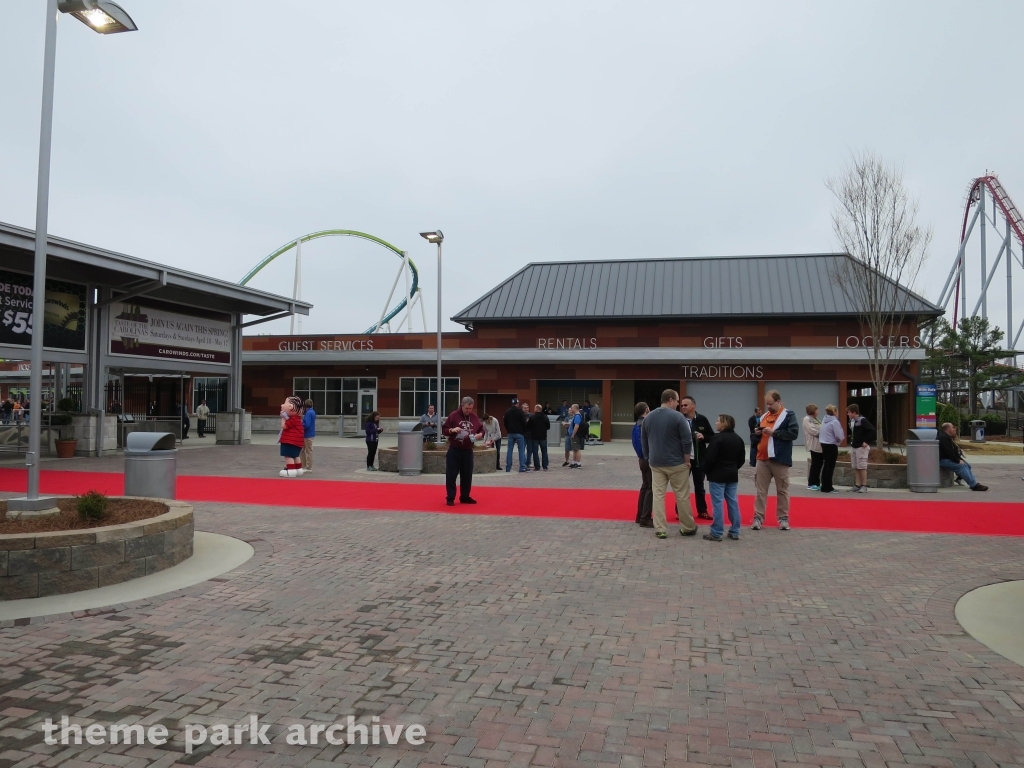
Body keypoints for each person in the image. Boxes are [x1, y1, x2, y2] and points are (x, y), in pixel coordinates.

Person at [641, 389, 697, 540]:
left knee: (658, 496)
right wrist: (687, 459)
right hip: (677, 463)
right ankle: (688, 527)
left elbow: (644, 440)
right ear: (671, 400)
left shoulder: (649, 417)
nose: (679, 404)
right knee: (682, 495)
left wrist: (648, 457)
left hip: (656, 463)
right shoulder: (678, 417)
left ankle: (660, 529)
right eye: (678, 401)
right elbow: (687, 440)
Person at [752, 389, 799, 531]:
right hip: (762, 458)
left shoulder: (788, 415)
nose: (768, 407)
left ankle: (783, 518)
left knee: (782, 490)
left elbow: (793, 433)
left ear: (779, 402)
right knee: (761, 490)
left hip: (779, 459)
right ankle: (758, 518)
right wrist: (756, 432)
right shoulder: (764, 416)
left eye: (771, 404)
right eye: (767, 404)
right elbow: (755, 438)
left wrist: (774, 433)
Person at [702, 414, 745, 541]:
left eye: (718, 421)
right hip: (731, 474)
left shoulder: (717, 439)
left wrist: (707, 470)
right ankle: (735, 530)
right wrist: (733, 467)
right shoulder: (738, 439)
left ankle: (716, 532)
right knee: (733, 502)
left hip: (717, 475)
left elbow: (710, 458)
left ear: (724, 423)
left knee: (718, 503)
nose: (716, 423)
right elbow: (741, 459)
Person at [442, 396, 485, 506]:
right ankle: (450, 497)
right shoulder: (453, 416)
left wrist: (480, 434)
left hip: (468, 450)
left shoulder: (474, 417)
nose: (469, 411)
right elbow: (444, 430)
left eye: (471, 409)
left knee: (467, 475)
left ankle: (465, 496)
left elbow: (481, 429)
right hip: (455, 450)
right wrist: (452, 430)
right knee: (451, 475)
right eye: (467, 408)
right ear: (462, 406)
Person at [679, 395, 714, 520]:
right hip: (683, 459)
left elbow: (712, 436)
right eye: (682, 405)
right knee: (682, 486)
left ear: (693, 406)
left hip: (699, 458)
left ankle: (702, 510)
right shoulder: (679, 419)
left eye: (685, 405)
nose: (683, 407)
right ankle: (680, 512)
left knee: (699, 486)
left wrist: (703, 436)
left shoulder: (702, 419)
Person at [939, 422, 989, 491]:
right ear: (948, 429)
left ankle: (962, 479)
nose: (954, 429)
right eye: (952, 427)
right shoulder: (943, 438)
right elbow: (949, 452)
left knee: (967, 465)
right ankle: (974, 485)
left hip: (947, 459)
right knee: (961, 466)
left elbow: (953, 451)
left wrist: (959, 459)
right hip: (943, 460)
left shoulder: (947, 437)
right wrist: (957, 460)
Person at [846, 404, 876, 493]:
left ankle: (864, 485)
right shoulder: (852, 421)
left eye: (849, 412)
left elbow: (872, 430)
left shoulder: (862, 420)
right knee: (856, 467)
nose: (848, 414)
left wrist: (866, 441)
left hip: (861, 448)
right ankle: (857, 484)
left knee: (862, 467)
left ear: (854, 412)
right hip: (854, 446)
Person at [632, 402, 653, 527]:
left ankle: (640, 516)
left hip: (641, 459)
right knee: (651, 488)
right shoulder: (645, 424)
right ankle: (645, 517)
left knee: (645, 486)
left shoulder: (636, 425)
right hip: (648, 459)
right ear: (646, 409)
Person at [818, 405, 844, 493]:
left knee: (826, 465)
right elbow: (838, 435)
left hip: (824, 443)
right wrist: (839, 440)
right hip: (831, 444)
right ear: (835, 412)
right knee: (830, 466)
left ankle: (824, 485)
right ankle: (828, 486)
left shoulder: (824, 420)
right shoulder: (834, 422)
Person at [278, 395, 306, 477]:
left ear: (290, 407)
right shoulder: (297, 419)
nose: (282, 405)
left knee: (288, 455)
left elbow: (284, 426)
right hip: (297, 441)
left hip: (289, 441)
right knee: (295, 455)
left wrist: (283, 418)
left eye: (285, 403)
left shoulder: (293, 419)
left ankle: (291, 470)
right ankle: (298, 469)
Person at [503, 397, 528, 472]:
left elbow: (505, 422)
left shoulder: (507, 411)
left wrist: (508, 429)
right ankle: (522, 467)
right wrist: (523, 430)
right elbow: (524, 422)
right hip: (519, 433)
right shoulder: (520, 411)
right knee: (521, 450)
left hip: (510, 433)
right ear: (517, 404)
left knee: (509, 450)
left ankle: (508, 467)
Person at [802, 404, 823, 490]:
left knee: (819, 464)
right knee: (815, 464)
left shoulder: (816, 419)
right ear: (812, 410)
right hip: (814, 444)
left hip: (819, 444)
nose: (818, 412)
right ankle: (811, 483)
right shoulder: (807, 419)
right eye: (816, 410)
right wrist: (823, 434)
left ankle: (817, 483)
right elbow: (813, 431)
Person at [528, 404, 550, 471]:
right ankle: (545, 466)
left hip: (534, 437)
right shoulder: (545, 417)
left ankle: (537, 466)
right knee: (544, 451)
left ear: (536, 409)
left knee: (535, 452)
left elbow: (528, 426)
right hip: (543, 436)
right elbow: (548, 427)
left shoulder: (532, 417)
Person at [300, 398, 316, 472]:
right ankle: (305, 466)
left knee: (308, 451)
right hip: (310, 434)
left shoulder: (308, 413)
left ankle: (308, 467)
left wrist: (300, 424)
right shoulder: (312, 412)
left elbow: (307, 424)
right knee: (306, 450)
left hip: (307, 434)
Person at [567, 403, 584, 468]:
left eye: (572, 408)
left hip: (575, 435)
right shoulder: (576, 415)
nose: (571, 409)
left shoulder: (577, 416)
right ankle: (574, 462)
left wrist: (573, 434)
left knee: (577, 449)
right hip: (574, 434)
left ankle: (578, 463)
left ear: (575, 408)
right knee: (574, 449)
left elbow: (576, 426)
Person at [521, 401, 533, 468]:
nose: (526, 409)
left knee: (530, 449)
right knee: (522, 449)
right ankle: (524, 462)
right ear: (522, 409)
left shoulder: (531, 416)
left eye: (527, 407)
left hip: (530, 434)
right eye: (525, 408)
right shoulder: (521, 415)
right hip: (523, 434)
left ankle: (528, 462)